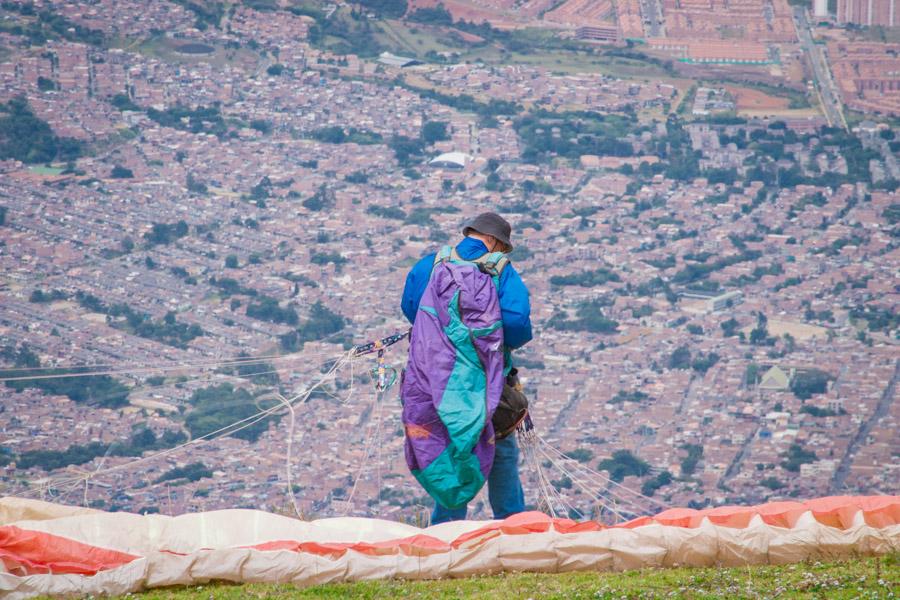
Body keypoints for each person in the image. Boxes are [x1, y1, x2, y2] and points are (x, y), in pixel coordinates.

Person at [400, 212, 533, 524]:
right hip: (486, 381)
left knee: (449, 451)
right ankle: (511, 524)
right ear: (495, 241)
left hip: (433, 381)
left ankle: (446, 529)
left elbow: (411, 307)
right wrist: (493, 343)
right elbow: (517, 322)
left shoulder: (431, 265)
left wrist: (439, 339)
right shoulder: (500, 271)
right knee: (499, 447)